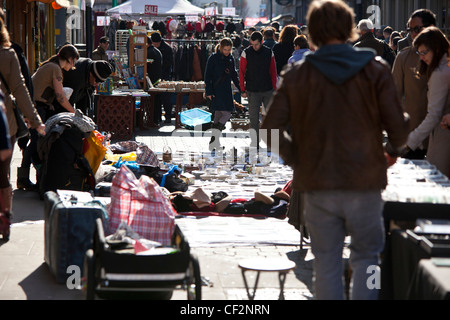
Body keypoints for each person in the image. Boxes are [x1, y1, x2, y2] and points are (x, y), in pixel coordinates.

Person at [261, 0, 409, 300]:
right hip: (365, 180)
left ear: (312, 31)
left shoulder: (299, 73)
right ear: (349, 28)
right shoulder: (375, 69)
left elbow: (269, 129)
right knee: (369, 258)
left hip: (317, 181)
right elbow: (399, 127)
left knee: (326, 263)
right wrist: (391, 152)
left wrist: (297, 160)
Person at [0, 16, 45, 214]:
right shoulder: (9, 53)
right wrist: (34, 121)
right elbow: (21, 87)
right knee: (2, 174)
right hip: (3, 122)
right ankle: (5, 218)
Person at [392, 9, 436, 160]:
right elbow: (394, 96)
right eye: (410, 30)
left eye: (417, 29)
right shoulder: (403, 57)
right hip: (413, 138)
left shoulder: (445, 56)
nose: (413, 34)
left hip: (440, 136)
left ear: (431, 27)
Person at [406, 27, 450, 177]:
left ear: (436, 49)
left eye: (424, 52)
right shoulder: (444, 67)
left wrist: (410, 141)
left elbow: (434, 115)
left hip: (443, 139)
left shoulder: (440, 72)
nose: (421, 57)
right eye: (419, 53)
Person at [239, 31, 277, 149]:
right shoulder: (246, 52)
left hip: (268, 89)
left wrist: (275, 89)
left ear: (261, 42)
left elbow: (273, 72)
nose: (253, 47)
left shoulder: (269, 52)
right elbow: (241, 72)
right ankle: (254, 143)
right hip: (252, 89)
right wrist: (242, 89)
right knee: (253, 118)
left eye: (256, 44)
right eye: (252, 44)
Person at [204, 38, 240, 150]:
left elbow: (234, 75)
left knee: (219, 115)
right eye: (225, 49)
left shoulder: (230, 58)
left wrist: (241, 88)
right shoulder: (213, 58)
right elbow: (207, 75)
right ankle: (213, 141)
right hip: (216, 90)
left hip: (226, 90)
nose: (227, 52)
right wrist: (209, 91)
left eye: (229, 49)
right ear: (220, 47)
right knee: (226, 114)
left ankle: (214, 143)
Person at [151, 32, 174, 123]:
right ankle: (158, 117)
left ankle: (168, 116)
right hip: (155, 76)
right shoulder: (152, 48)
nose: (155, 45)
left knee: (166, 97)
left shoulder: (167, 48)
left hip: (165, 75)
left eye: (156, 43)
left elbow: (169, 62)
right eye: (154, 43)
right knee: (157, 97)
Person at [146, 36, 163, 125]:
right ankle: (157, 118)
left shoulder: (149, 52)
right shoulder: (157, 51)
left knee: (152, 101)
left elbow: (147, 67)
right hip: (157, 79)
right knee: (157, 100)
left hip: (151, 80)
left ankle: (153, 120)